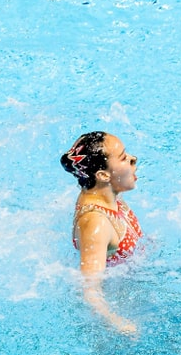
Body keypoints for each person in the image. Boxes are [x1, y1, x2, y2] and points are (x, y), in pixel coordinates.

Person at [60, 131, 143, 335]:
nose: (133, 159)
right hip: (122, 301)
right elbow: (89, 289)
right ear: (103, 175)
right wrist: (117, 323)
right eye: (123, 158)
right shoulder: (96, 224)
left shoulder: (107, 192)